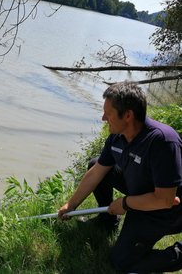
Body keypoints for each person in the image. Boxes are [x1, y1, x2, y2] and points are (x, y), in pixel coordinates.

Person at [58, 81, 182, 273]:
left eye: (108, 114)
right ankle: (108, 222)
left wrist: (125, 203)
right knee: (95, 163)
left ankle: (178, 254)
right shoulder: (117, 137)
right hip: (141, 193)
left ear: (128, 116)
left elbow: (165, 200)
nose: (102, 118)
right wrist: (71, 204)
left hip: (166, 211)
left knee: (122, 263)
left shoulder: (162, 141)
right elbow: (98, 171)